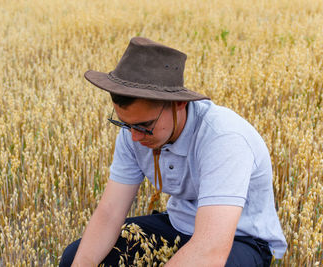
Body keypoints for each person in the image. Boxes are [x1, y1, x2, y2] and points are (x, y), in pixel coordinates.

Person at [60, 37, 287, 266]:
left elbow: (211, 249)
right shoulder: (133, 132)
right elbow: (109, 213)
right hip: (177, 226)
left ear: (178, 103)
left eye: (145, 126)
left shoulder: (224, 138)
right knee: (75, 257)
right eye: (124, 124)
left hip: (242, 240)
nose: (134, 137)